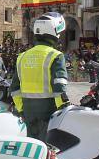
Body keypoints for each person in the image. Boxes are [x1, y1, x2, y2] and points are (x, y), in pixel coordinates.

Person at [10, 12, 69, 142]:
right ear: (54, 33)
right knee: (48, 149)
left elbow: (14, 89)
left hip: (27, 111)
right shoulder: (55, 55)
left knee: (32, 146)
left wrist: (21, 109)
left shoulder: (22, 57)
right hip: (49, 111)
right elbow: (59, 86)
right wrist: (64, 108)